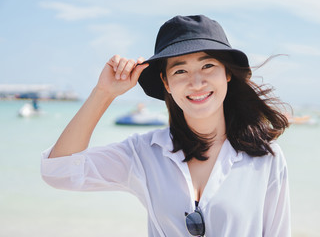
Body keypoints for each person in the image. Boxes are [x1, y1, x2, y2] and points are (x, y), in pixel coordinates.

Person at [41, 15, 291, 236]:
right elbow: (58, 171)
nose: (196, 82)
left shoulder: (265, 157)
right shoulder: (144, 152)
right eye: (180, 71)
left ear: (227, 73)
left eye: (208, 66)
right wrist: (103, 93)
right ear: (167, 83)